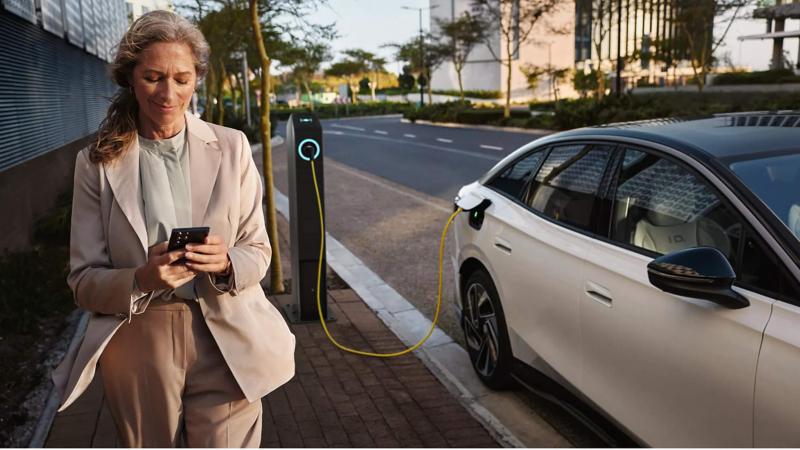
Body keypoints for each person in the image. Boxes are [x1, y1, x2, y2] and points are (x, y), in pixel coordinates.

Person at [50, 10, 295, 448]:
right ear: (128, 77)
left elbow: (258, 249)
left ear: (197, 78)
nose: (168, 93)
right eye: (153, 77)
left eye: (181, 78)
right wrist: (141, 278)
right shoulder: (95, 164)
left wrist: (225, 262)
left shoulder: (232, 146)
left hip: (228, 333)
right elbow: (83, 281)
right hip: (139, 340)